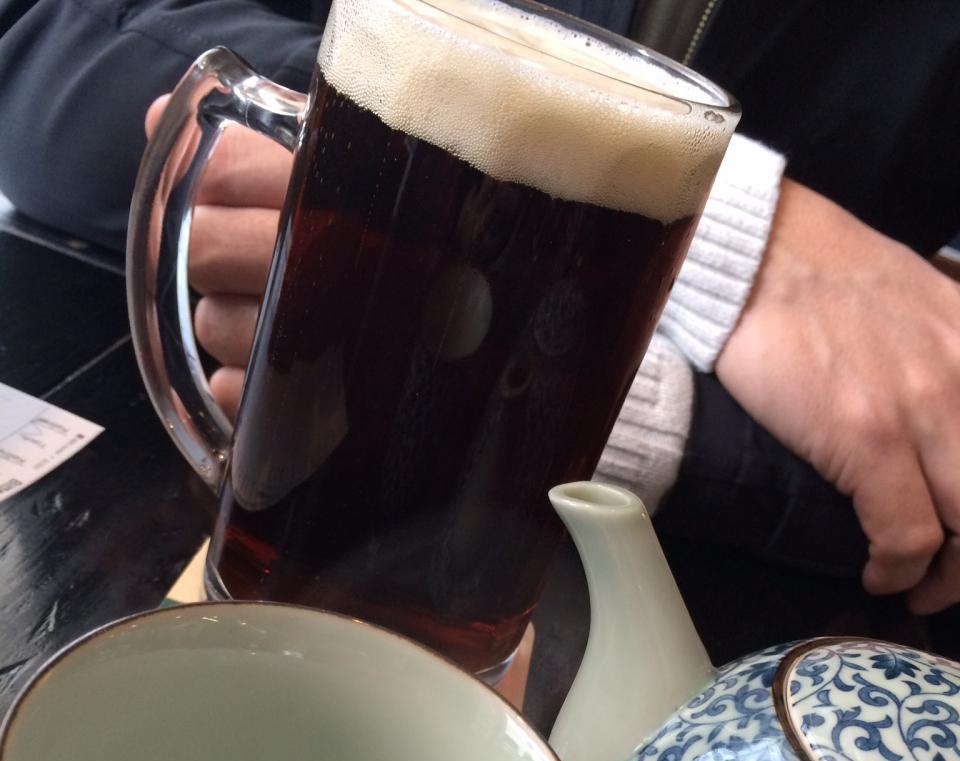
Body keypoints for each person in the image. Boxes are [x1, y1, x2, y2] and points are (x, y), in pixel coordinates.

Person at [1, 0, 958, 611]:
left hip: (708, 629)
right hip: (195, 532)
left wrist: (606, 404)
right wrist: (747, 241)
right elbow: (41, 35)